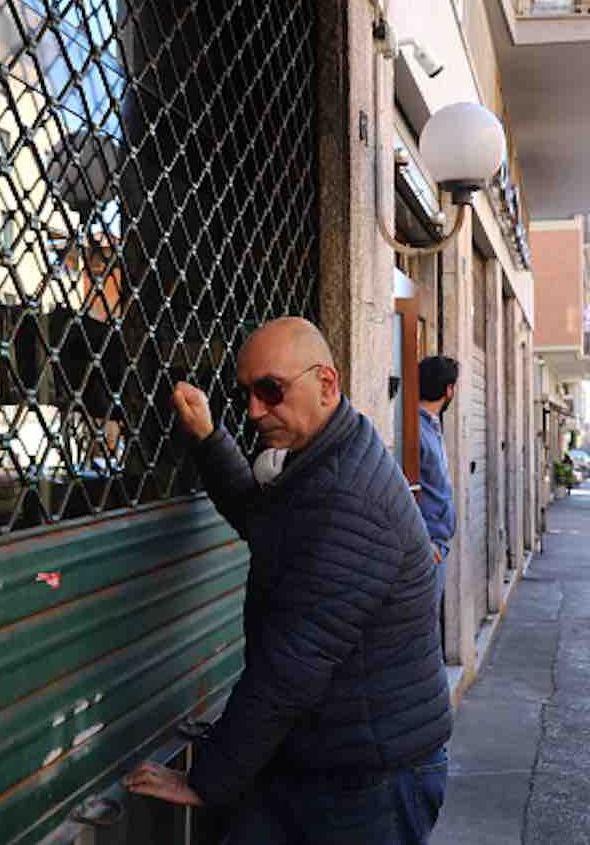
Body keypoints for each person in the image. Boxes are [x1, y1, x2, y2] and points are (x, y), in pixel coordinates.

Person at [124, 317, 451, 844]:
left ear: (326, 384)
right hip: (323, 760)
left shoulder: (349, 497)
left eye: (271, 390)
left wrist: (208, 779)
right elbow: (266, 523)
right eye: (248, 393)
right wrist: (210, 440)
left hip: (369, 784)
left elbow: (292, 664)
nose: (255, 410)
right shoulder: (328, 456)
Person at [416, 355, 459, 585]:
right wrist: (423, 540)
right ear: (448, 390)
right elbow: (402, 488)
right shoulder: (416, 430)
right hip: (427, 549)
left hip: (436, 545)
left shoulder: (430, 426)